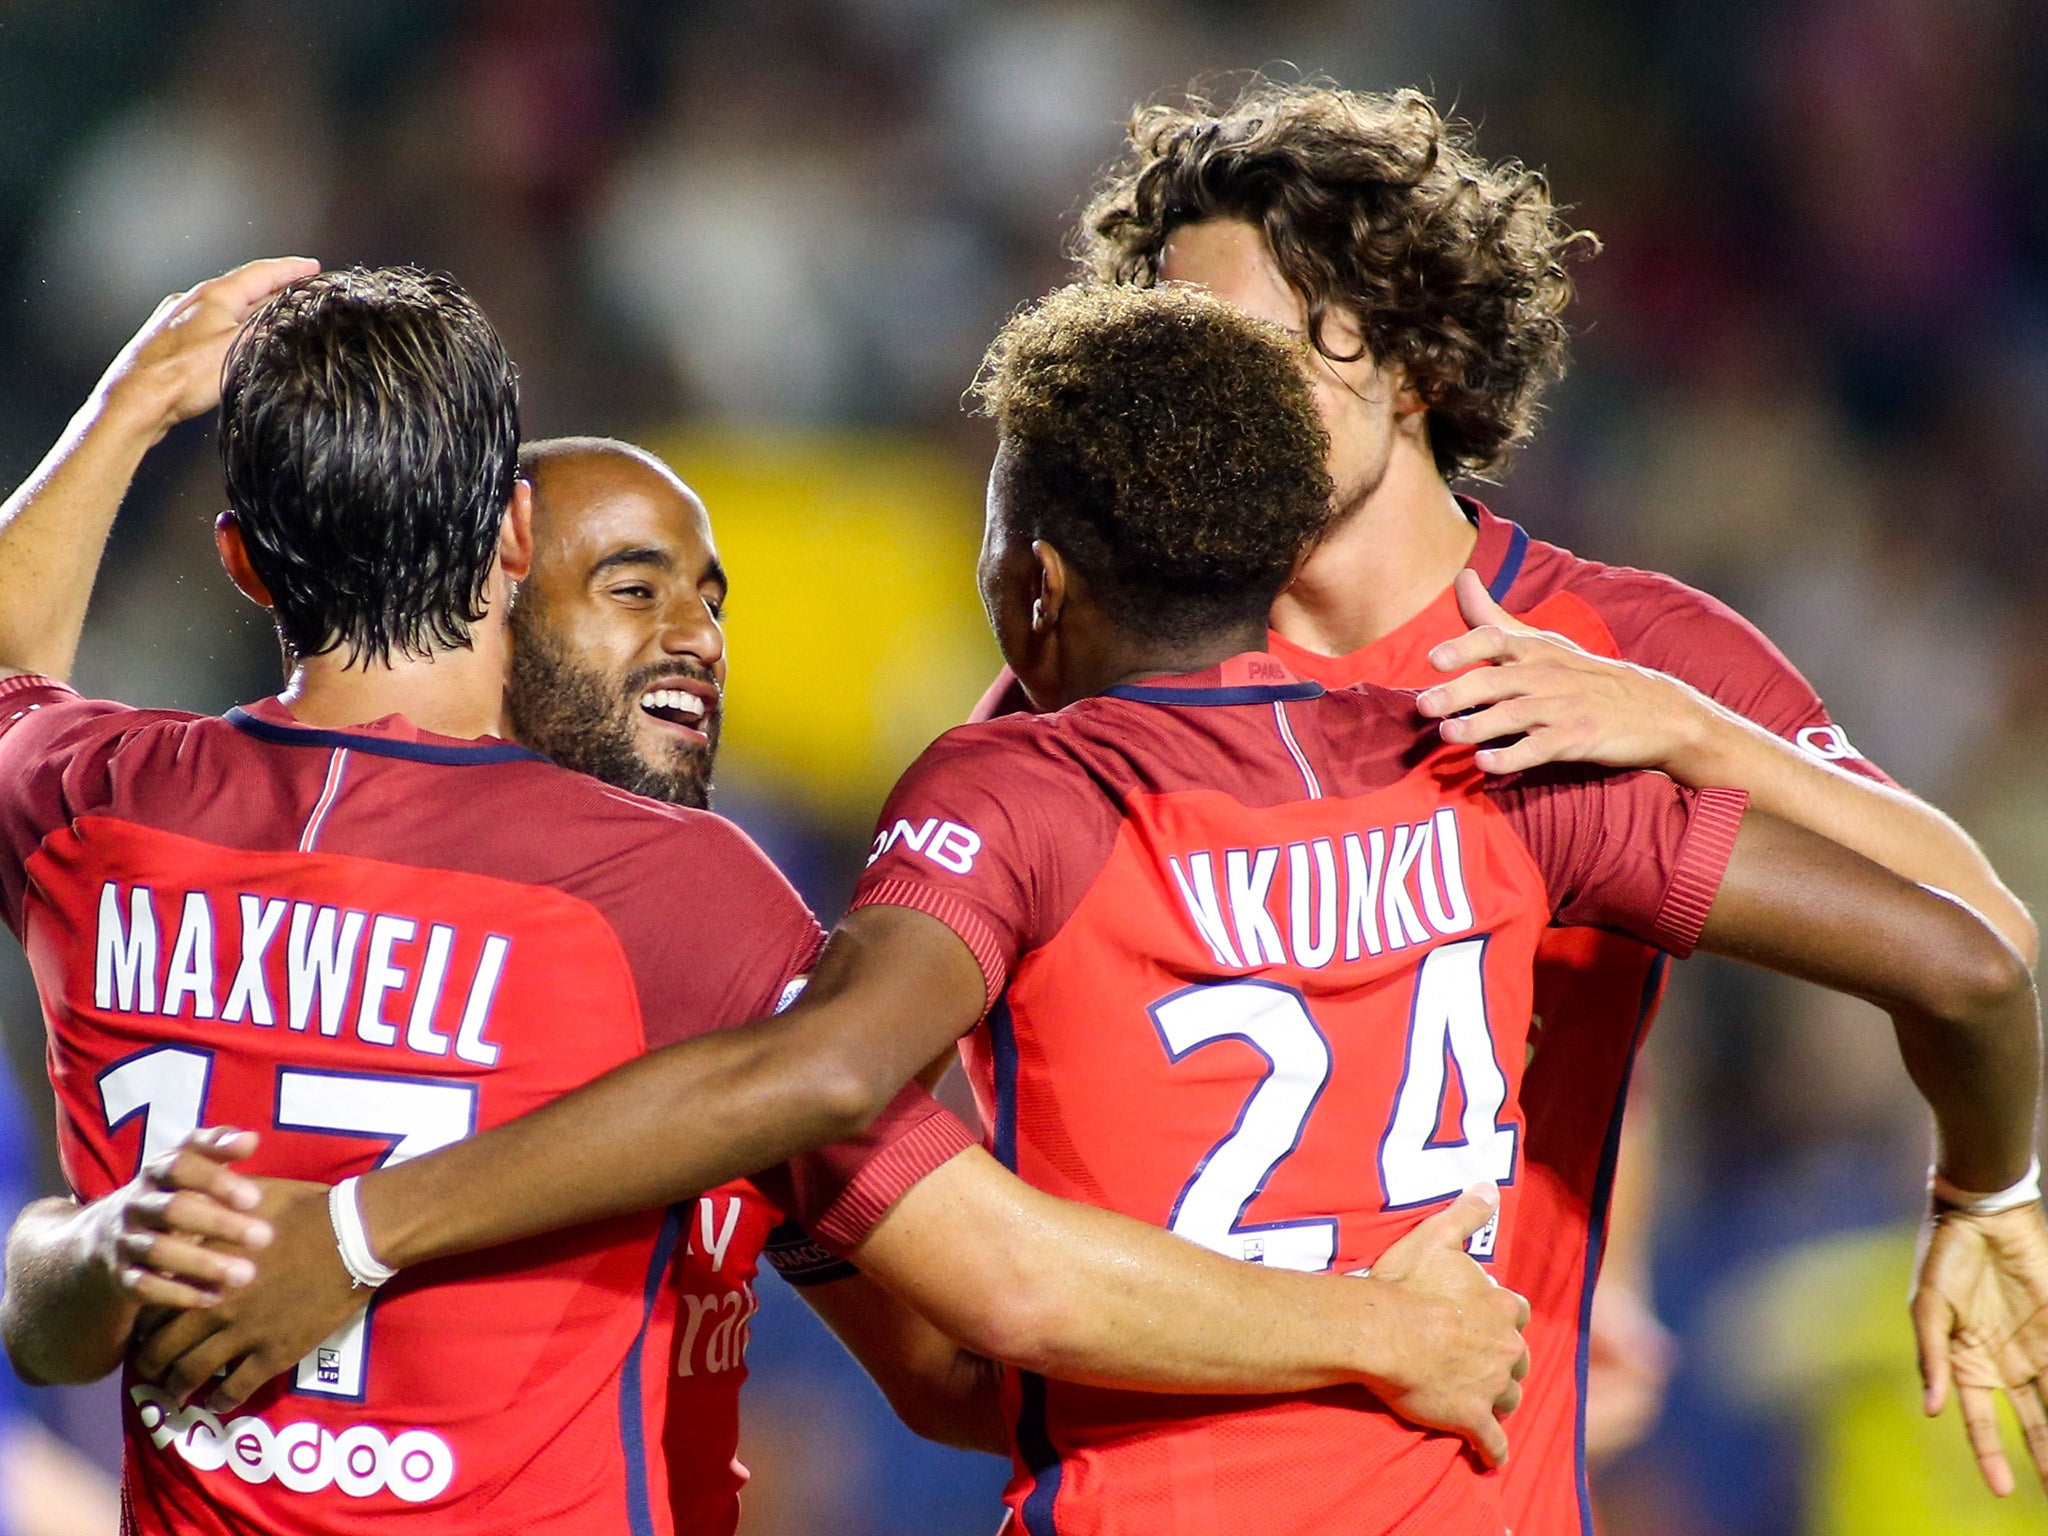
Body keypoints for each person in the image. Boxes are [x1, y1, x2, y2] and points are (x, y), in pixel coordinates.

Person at [127, 283, 2048, 1535]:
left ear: (1039, 585)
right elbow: (1968, 957)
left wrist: (364, 1234)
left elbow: (870, 1136)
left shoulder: (1014, 794)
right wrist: (1987, 1193)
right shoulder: (1505, 749)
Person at [0, 264, 1534, 1534]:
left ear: (244, 567)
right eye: (632, 585)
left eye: (710, 591)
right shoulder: (669, 907)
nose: (694, 633)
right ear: (509, 551)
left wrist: (133, 400)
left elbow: (953, 1378)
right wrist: (1370, 1333)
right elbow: (990, 1295)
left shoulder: (100, 808)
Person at [1024, 77, 2041, 1525]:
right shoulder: (1109, 672)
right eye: (1178, 362)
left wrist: (1689, 734)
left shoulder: (1628, 654)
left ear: (1413, 354)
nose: (1213, 407)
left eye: (1252, 352)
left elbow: (1971, 926)